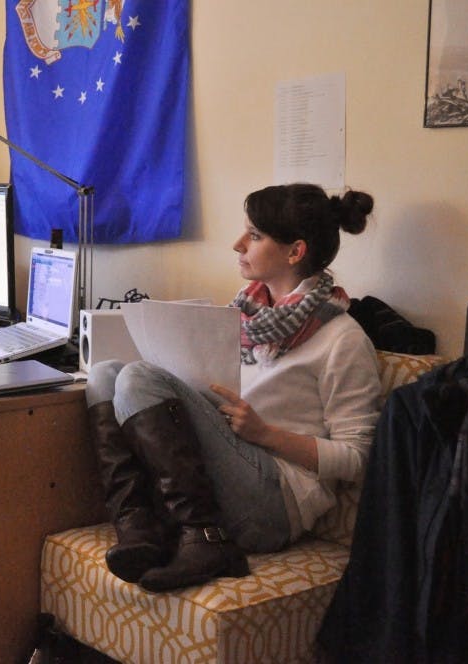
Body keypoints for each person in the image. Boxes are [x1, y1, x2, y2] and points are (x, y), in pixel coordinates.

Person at [87, 183, 382, 592]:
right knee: (104, 373)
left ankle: (206, 539)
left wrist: (268, 435)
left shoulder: (343, 339)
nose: (238, 244)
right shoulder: (243, 314)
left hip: (275, 504)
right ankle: (138, 526)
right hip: (230, 472)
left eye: (255, 236)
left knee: (139, 377)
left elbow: (359, 460)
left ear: (295, 252)